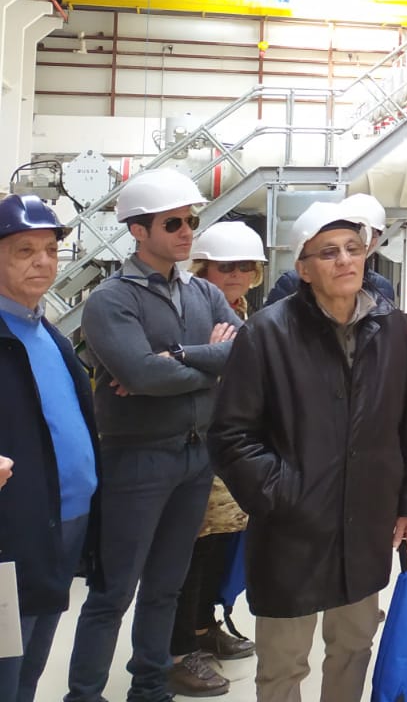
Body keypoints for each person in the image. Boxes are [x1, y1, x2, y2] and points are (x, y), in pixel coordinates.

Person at [208, 200, 407, 702]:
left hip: (367, 519)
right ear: (304, 269)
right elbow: (230, 435)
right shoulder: (267, 333)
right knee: (284, 663)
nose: (345, 260)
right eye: (328, 252)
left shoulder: (390, 327)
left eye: (353, 248)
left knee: (353, 646)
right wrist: (284, 493)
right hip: (293, 529)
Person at [67, 168, 241, 702]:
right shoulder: (111, 301)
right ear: (138, 231)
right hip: (137, 461)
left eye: (190, 221)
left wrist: (180, 357)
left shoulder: (203, 293)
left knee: (166, 585)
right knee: (113, 592)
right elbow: (141, 374)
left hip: (195, 459)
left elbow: (243, 353)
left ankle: (149, 687)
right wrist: (206, 365)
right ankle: (84, 695)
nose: (187, 232)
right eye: (173, 223)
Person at [0, 195, 98, 702]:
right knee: (5, 663)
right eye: (24, 250)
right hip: (11, 533)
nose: (42, 261)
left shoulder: (47, 331)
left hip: (65, 524)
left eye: (50, 250)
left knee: (32, 664)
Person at [166, 223, 267, 697]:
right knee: (186, 553)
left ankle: (204, 627)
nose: (237, 275)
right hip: (192, 448)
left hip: (233, 452)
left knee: (220, 547)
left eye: (245, 267)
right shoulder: (189, 311)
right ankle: (179, 651)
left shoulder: (245, 315)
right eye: (226, 267)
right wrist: (211, 353)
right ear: (204, 268)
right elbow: (177, 368)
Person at [260, 195, 393, 308]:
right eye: (329, 252)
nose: (344, 259)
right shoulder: (292, 283)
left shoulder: (381, 288)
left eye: (373, 234)